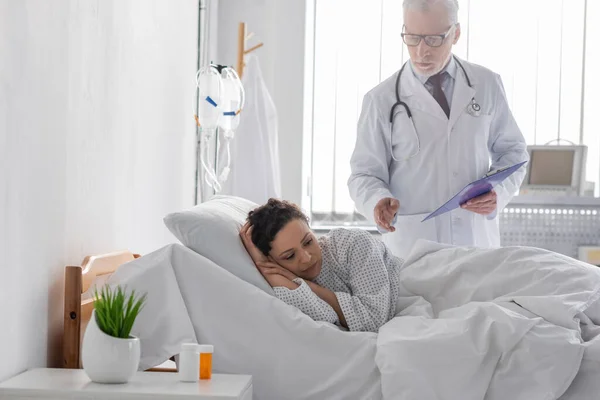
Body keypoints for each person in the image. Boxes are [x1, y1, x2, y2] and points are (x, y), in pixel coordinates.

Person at [347, 0, 529, 259]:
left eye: (434, 39)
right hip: (414, 248)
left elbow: (513, 153)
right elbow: (363, 174)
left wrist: (498, 192)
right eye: (412, 38)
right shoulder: (380, 100)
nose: (422, 51)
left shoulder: (487, 84)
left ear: (455, 34)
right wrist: (377, 201)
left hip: (476, 243)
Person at [239, 198, 404, 333]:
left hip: (415, 284)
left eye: (308, 241)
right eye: (290, 256)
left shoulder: (352, 244)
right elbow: (327, 318)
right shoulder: (282, 279)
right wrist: (263, 266)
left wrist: (301, 282)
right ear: (272, 261)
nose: (306, 257)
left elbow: (373, 320)